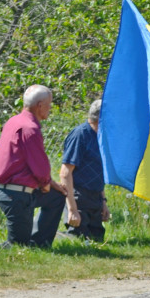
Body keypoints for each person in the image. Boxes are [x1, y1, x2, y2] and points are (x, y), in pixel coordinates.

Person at [0, 85, 67, 248]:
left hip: (9, 191)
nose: (50, 109)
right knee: (18, 244)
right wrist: (46, 183)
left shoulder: (13, 121)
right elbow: (40, 167)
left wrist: (52, 185)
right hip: (16, 195)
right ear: (39, 105)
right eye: (49, 105)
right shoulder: (30, 129)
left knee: (56, 197)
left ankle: (39, 244)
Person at [60, 99, 108, 242]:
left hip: (95, 198)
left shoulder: (102, 137)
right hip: (79, 197)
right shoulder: (80, 135)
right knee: (78, 238)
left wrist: (103, 202)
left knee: (97, 239)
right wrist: (72, 210)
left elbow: (98, 171)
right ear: (100, 117)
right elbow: (65, 173)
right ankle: (49, 239)